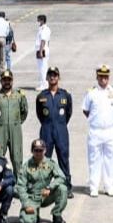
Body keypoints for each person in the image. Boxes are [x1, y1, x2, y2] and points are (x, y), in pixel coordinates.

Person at [82, 64, 113, 197]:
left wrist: (111, 120)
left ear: (108, 77)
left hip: (110, 130)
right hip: (95, 131)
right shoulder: (91, 92)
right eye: (101, 77)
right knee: (94, 159)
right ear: (97, 77)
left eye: (106, 77)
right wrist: (95, 121)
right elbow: (85, 110)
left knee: (109, 159)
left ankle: (109, 186)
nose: (103, 79)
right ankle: (94, 187)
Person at [35, 66, 74, 197]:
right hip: (46, 129)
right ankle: (42, 186)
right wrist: (47, 124)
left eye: (55, 75)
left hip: (61, 130)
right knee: (44, 159)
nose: (52, 77)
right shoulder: (41, 96)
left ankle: (66, 186)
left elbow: (68, 113)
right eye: (50, 75)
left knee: (63, 158)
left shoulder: (65, 95)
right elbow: (39, 114)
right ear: (46, 78)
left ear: (59, 77)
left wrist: (60, 124)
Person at [15, 139, 68, 223]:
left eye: (41, 150)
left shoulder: (50, 163)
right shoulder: (26, 166)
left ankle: (57, 215)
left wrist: (49, 187)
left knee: (63, 189)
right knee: (27, 222)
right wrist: (26, 204)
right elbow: (20, 187)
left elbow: (61, 177)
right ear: (32, 151)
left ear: (45, 150)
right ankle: (35, 215)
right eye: (36, 150)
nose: (39, 153)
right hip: (32, 197)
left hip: (46, 195)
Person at [0, 70, 29, 176]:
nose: (7, 82)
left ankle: (18, 186)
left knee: (17, 158)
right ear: (1, 81)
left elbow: (24, 112)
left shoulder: (19, 96)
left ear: (12, 81)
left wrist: (17, 123)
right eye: (4, 80)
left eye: (9, 80)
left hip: (15, 129)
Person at [34, 15, 52, 90]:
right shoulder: (44, 28)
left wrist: (41, 51)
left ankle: (44, 85)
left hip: (42, 49)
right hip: (44, 49)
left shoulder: (44, 29)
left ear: (42, 20)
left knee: (42, 68)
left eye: (39, 20)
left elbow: (43, 41)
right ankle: (44, 84)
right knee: (42, 67)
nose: (38, 21)